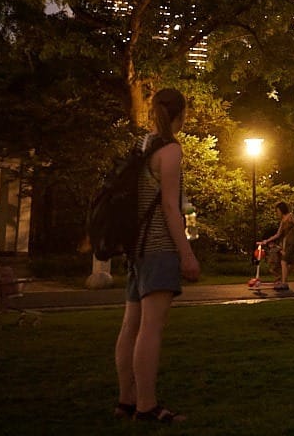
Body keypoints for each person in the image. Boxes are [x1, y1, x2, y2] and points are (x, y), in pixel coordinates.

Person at [114, 88, 200, 423]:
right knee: (151, 328)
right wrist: (187, 253)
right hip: (159, 248)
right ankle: (147, 406)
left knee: (130, 326)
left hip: (137, 250)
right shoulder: (171, 151)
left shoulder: (143, 145)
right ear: (182, 114)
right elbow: (169, 206)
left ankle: (126, 401)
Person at [260, 202, 294, 290]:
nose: (277, 213)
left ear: (282, 210)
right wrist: (266, 241)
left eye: (278, 211)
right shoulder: (283, 221)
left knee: (284, 261)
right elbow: (278, 234)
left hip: (293, 242)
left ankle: (284, 283)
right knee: (291, 263)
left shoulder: (291, 217)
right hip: (287, 243)